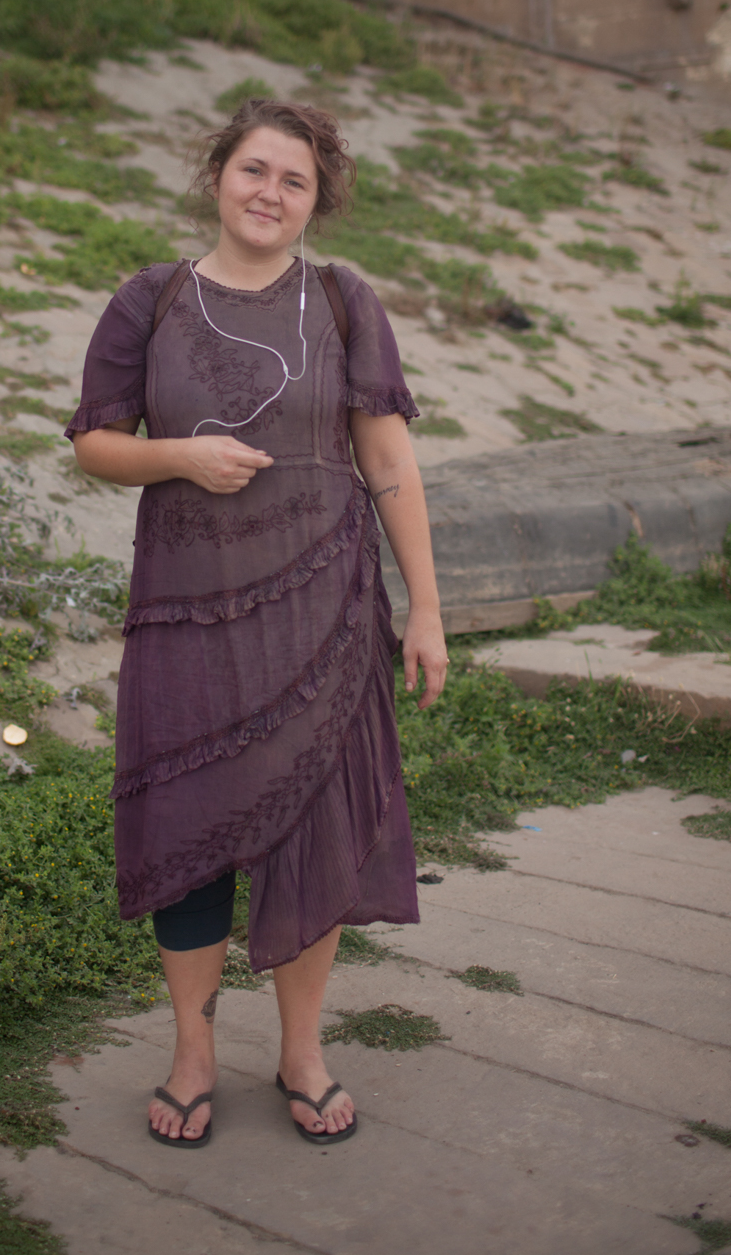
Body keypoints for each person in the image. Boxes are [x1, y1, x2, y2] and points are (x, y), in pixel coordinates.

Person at [67, 97, 448, 1148]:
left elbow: (388, 460)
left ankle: (302, 1051)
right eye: (254, 170)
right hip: (187, 613)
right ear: (216, 176)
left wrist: (425, 607)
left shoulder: (343, 302)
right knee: (188, 832)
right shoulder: (150, 300)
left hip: (324, 612)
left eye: (295, 181)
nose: (270, 194)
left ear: (317, 201)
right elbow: (95, 444)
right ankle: (192, 1054)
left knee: (315, 827)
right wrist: (178, 457)